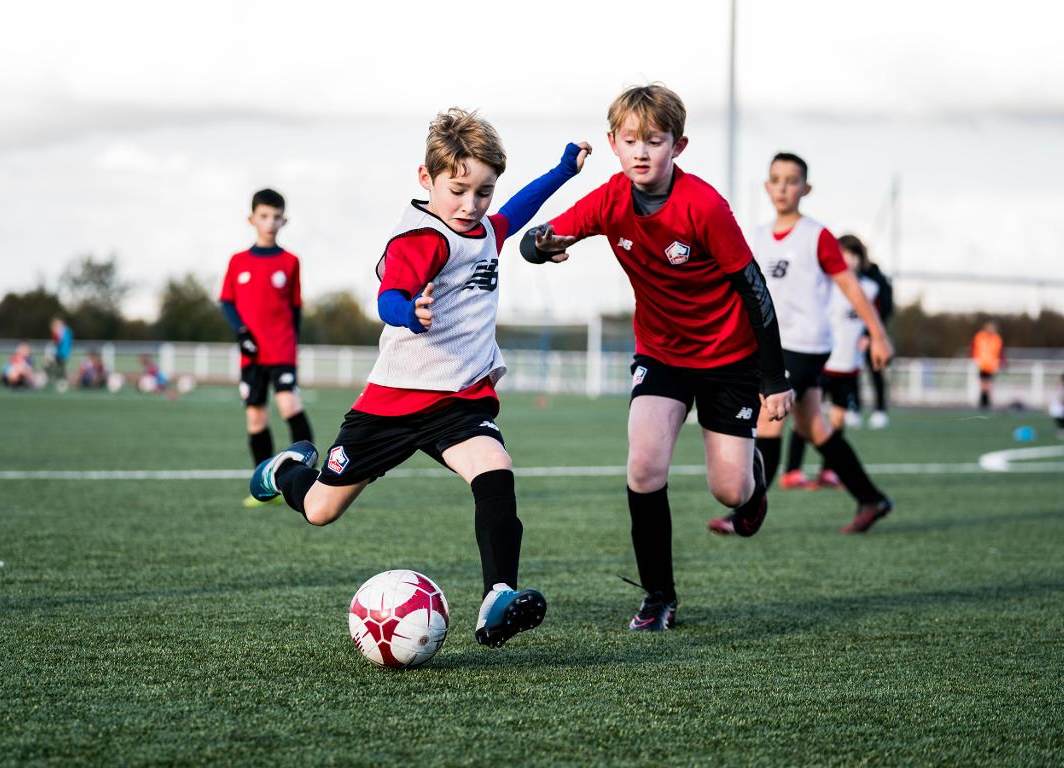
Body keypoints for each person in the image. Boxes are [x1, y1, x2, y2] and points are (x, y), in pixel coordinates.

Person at [251, 108, 591, 648]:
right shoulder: (420, 239)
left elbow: (517, 211)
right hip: (390, 405)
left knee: (494, 470)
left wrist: (561, 172)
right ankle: (288, 468)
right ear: (426, 179)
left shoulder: (483, 228)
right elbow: (388, 297)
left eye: (483, 191)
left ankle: (497, 597)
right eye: (459, 190)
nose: (471, 204)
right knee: (319, 510)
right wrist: (409, 312)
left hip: (459, 400)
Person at [520, 84, 793, 633]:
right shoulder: (609, 198)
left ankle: (755, 476)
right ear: (613, 146)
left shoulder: (705, 206)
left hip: (728, 358)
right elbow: (537, 239)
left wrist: (774, 377)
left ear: (678, 145)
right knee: (644, 466)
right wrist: (542, 247)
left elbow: (754, 287)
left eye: (655, 140)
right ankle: (659, 596)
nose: (641, 151)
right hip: (661, 353)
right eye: (630, 141)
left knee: (729, 490)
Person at [749, 153, 894, 534]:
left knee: (769, 413)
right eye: (776, 179)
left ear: (806, 188)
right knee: (815, 427)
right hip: (774, 344)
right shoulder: (759, 237)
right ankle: (871, 497)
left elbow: (850, 286)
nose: (782, 187)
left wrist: (878, 334)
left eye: (792, 180)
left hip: (806, 342)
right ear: (767, 186)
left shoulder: (817, 236)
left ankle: (748, 511)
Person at [220, 188, 314, 508]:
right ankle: (265, 488)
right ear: (252, 219)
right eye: (264, 216)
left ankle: (311, 474)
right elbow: (227, 302)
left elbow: (296, 308)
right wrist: (241, 332)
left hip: (282, 351)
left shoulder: (290, 262)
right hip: (252, 356)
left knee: (289, 405)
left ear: (284, 220)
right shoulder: (238, 262)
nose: (270, 222)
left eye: (276, 217)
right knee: (256, 419)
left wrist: (293, 344)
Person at [780, 234, 879, 490]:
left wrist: (871, 336)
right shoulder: (825, 285)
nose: (848, 260)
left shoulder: (869, 289)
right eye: (843, 254)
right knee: (805, 421)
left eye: (853, 255)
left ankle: (827, 472)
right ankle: (792, 470)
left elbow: (874, 318)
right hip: (822, 362)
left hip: (849, 365)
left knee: (837, 420)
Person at [862, 257, 894, 428]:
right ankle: (853, 408)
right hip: (851, 335)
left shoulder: (877, 281)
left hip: (873, 335)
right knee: (848, 373)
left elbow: (886, 308)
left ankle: (880, 410)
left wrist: (873, 334)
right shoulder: (852, 277)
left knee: (876, 372)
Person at [971, 321, 1003, 410]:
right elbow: (975, 348)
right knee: (982, 385)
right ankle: (982, 403)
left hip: (991, 366)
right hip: (982, 365)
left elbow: (998, 352)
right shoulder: (980, 336)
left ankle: (987, 403)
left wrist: (998, 363)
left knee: (989, 385)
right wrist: (975, 360)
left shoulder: (997, 338)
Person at [47, 316, 74, 385]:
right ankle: (59, 380)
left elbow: (58, 342)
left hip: (62, 354)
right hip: (61, 353)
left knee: (59, 368)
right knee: (58, 367)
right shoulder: (65, 331)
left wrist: (55, 332)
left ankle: (61, 381)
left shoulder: (64, 331)